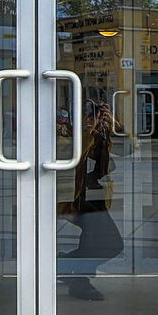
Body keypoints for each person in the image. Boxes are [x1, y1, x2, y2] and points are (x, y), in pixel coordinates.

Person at [57, 100, 124, 301]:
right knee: (112, 243)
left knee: (100, 241)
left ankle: (68, 268)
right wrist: (89, 132)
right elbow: (72, 154)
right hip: (74, 198)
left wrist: (115, 126)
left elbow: (128, 149)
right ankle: (76, 276)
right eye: (88, 116)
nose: (92, 120)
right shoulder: (64, 133)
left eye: (95, 115)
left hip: (95, 197)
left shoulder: (99, 133)